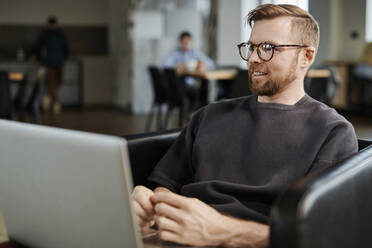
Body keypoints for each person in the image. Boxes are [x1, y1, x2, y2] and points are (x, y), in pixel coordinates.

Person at [133, 4, 358, 247]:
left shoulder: (332, 132)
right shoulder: (210, 115)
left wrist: (223, 232)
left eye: (268, 48)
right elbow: (166, 184)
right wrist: (152, 206)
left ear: (306, 56)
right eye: (251, 47)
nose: (252, 58)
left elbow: (319, 234)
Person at [163, 31, 215, 106]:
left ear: (191, 42)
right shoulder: (175, 53)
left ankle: (203, 109)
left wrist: (203, 65)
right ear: (180, 42)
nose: (186, 44)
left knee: (205, 85)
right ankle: (198, 109)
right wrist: (178, 66)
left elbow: (211, 63)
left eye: (188, 42)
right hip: (177, 87)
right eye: (184, 42)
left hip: (191, 85)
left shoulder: (195, 52)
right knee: (197, 91)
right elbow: (165, 66)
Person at [35, 16, 69, 114]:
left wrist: (64, 57)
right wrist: (40, 59)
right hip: (49, 63)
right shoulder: (45, 34)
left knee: (58, 82)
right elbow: (38, 47)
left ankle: (49, 98)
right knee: (51, 83)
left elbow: (66, 47)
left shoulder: (60, 34)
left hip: (59, 62)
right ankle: (56, 103)